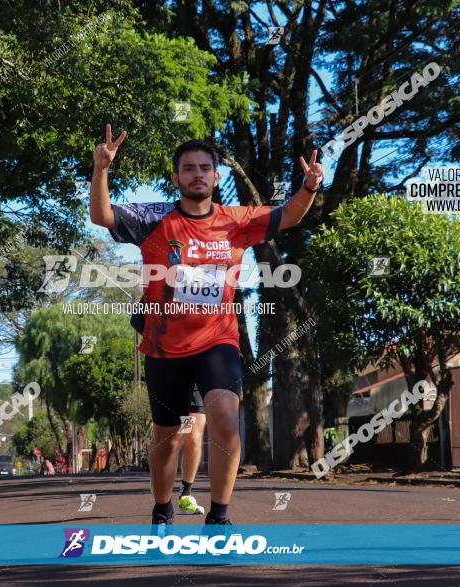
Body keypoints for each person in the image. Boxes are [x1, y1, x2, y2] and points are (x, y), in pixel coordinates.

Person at [90, 126, 321, 527]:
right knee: (167, 438)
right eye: (188, 168)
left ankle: (219, 515)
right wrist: (101, 170)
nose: (197, 174)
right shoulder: (153, 218)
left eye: (205, 168)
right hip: (165, 348)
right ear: (176, 178)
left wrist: (310, 186)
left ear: (216, 177)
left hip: (219, 341)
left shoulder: (238, 220)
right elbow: (102, 215)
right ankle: (162, 508)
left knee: (225, 421)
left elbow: (290, 214)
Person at [178, 386, 206, 515]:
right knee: (171, 438)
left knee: (192, 435)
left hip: (197, 379)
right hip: (170, 372)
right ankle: (158, 476)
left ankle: (185, 495)